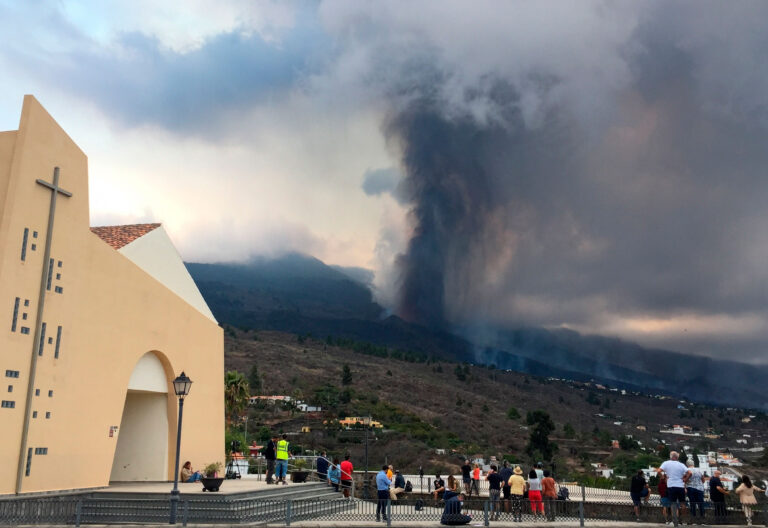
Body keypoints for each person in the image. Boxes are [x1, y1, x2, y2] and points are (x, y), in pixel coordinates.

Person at [658, 451, 688, 525]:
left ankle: (675, 521)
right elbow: (689, 473)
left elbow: (659, 471)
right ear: (677, 457)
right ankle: (683, 520)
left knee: (673, 503)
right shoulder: (681, 465)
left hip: (671, 486)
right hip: (680, 486)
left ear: (671, 456)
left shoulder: (666, 463)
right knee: (683, 503)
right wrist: (685, 480)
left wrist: (662, 477)